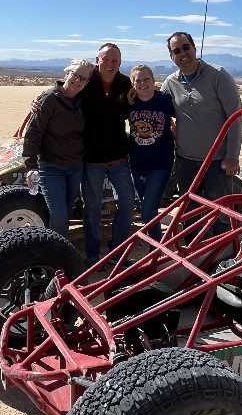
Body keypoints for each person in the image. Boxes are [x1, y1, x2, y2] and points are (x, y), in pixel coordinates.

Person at [161, 32, 242, 213]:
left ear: (194, 48)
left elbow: (236, 117)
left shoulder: (218, 76)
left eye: (186, 47)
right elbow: (155, 104)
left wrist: (232, 156)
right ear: (171, 56)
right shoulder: (171, 82)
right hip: (185, 161)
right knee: (189, 214)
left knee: (219, 214)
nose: (183, 54)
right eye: (176, 51)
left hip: (217, 161)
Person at [22, 59, 95, 237]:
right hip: (51, 167)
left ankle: (54, 242)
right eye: (75, 75)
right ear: (67, 73)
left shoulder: (83, 100)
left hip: (75, 167)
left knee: (66, 211)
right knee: (59, 215)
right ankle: (55, 251)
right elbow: (33, 134)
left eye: (83, 78)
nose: (78, 80)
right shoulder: (49, 99)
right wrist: (30, 166)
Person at [80, 43, 135, 264]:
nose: (111, 64)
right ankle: (92, 256)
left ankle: (116, 252)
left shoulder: (124, 83)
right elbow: (65, 93)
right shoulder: (86, 80)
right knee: (92, 208)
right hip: (91, 158)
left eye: (115, 60)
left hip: (118, 158)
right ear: (97, 60)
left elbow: (136, 107)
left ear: (120, 63)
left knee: (128, 203)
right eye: (106, 59)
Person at [128, 65, 175, 240]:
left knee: (148, 211)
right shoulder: (129, 102)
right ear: (133, 84)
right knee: (148, 208)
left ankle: (156, 245)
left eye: (146, 79)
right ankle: (156, 244)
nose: (142, 83)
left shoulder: (165, 100)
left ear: (153, 80)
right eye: (138, 80)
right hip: (137, 163)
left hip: (161, 163)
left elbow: (186, 116)